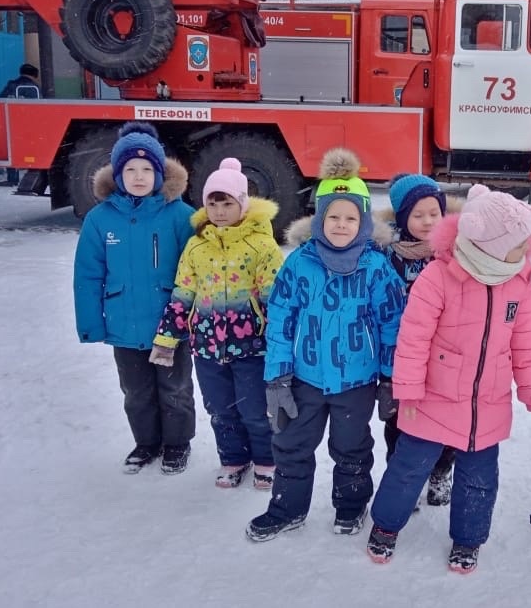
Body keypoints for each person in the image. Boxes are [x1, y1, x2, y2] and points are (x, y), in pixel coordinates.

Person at [365, 185, 531, 574]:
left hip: (488, 401)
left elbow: (527, 343)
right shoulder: (439, 276)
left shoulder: (519, 282)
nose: (528, 247)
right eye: (519, 242)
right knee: (408, 468)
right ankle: (386, 524)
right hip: (433, 396)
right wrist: (409, 388)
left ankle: (468, 538)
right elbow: (413, 339)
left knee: (480, 478)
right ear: (489, 245)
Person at [246, 148, 405, 542]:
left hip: (357, 381)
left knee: (351, 449)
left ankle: (351, 506)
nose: (340, 224)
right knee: (291, 446)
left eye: (350, 217)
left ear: (364, 221)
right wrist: (277, 378)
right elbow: (280, 320)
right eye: (332, 215)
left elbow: (391, 324)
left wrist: (389, 379)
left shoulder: (376, 266)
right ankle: (287, 507)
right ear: (318, 218)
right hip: (305, 378)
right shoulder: (299, 263)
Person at [152, 158, 285, 490]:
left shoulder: (262, 245)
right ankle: (233, 458)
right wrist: (167, 339)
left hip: (252, 344)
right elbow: (184, 292)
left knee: (255, 410)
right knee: (221, 409)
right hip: (207, 345)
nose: (220, 210)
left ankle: (266, 460)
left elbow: (275, 297)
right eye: (213, 202)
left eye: (227, 203)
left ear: (242, 203)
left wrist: (282, 340)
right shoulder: (196, 246)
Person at [73, 121, 196, 475]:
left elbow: (199, 268)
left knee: (175, 389)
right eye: (130, 169)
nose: (138, 176)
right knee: (136, 392)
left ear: (160, 172)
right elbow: (88, 275)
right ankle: (146, 442)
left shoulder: (180, 216)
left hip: (169, 325)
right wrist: (91, 324)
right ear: (117, 174)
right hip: (124, 325)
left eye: (147, 169)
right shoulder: (100, 220)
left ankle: (177, 443)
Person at [377, 173, 460, 506]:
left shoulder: (454, 253)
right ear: (402, 218)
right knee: (400, 421)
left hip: (444, 355)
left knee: (444, 419)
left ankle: (441, 471)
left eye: (434, 213)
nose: (427, 222)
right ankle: (402, 481)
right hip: (401, 355)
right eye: (418, 215)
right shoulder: (387, 257)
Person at [0, 63, 41, 185]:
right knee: (33, 150)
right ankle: (34, 175)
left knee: (13, 150)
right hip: (31, 125)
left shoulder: (12, 85)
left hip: (13, 125)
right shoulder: (35, 89)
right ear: (35, 75)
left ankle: (12, 178)